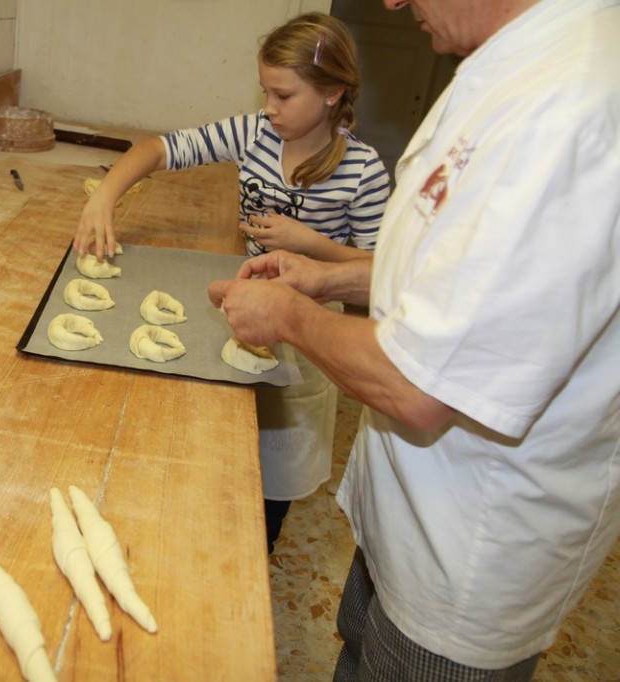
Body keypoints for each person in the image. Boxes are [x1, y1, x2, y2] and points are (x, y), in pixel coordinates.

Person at [208, 0, 620, 679]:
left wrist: (287, 316)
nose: (394, 2)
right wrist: (327, 278)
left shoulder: (567, 108)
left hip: (468, 550)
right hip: (409, 518)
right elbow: (457, 276)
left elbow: (422, 385)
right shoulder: (509, 63)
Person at [74, 13, 391, 553]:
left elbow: (378, 271)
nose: (270, 107)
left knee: (277, 463)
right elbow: (162, 148)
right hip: (243, 305)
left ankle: (254, 549)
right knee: (225, 442)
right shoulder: (254, 135)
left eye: (284, 95)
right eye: (266, 91)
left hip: (310, 336)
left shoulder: (363, 173)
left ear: (333, 92)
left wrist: (307, 242)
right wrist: (105, 195)